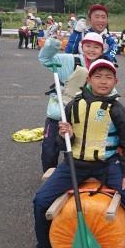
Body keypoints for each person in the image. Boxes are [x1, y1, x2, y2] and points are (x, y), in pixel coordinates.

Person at [28, 59, 125, 248]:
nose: (103, 81)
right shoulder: (71, 106)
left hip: (106, 165)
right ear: (89, 79)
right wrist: (64, 136)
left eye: (108, 77)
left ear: (116, 81)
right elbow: (63, 146)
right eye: (98, 76)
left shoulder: (117, 109)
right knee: (40, 200)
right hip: (74, 165)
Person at [37, 32, 105, 173]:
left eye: (96, 47)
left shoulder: (102, 67)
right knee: (49, 149)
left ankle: (70, 175)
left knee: (75, 149)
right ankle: (50, 176)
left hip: (81, 117)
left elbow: (109, 88)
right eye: (88, 46)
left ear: (102, 50)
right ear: (81, 46)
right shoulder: (70, 60)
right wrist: (54, 43)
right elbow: (45, 58)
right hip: (58, 113)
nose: (91, 50)